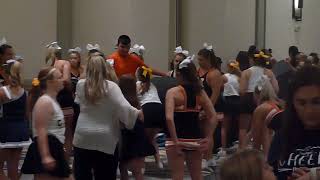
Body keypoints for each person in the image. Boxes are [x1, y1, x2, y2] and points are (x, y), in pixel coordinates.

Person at [72, 55, 143, 180]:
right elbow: (124, 108)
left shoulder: (80, 85)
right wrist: (137, 114)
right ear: (105, 69)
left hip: (82, 135)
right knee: (105, 174)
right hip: (105, 137)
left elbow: (77, 103)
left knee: (82, 174)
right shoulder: (111, 87)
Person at [165, 56, 217, 180]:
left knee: (177, 176)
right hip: (195, 138)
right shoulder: (200, 92)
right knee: (197, 175)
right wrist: (209, 137)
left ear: (178, 74)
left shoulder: (172, 92)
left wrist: (176, 140)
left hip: (175, 139)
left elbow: (169, 118)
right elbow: (213, 116)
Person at [268, 65, 320, 180]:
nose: (309, 110)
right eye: (301, 103)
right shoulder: (282, 137)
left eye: (316, 102)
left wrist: (314, 175)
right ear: (293, 104)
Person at [21, 67, 71, 179]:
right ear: (50, 82)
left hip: (55, 146)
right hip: (48, 146)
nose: (63, 80)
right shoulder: (44, 102)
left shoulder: (52, 101)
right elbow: (41, 130)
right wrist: (45, 155)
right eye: (59, 77)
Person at [239, 51, 279, 149]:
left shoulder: (246, 72)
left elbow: (242, 90)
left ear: (252, 60)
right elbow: (276, 89)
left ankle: (242, 148)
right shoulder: (269, 72)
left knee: (243, 128)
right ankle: (262, 149)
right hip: (265, 97)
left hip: (248, 98)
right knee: (264, 128)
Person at [118, 75, 155, 180]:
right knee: (137, 171)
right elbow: (142, 118)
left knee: (123, 168)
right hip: (138, 136)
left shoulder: (120, 101)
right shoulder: (136, 101)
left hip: (124, 136)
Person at [0, 61, 31, 180]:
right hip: (20, 129)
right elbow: (27, 114)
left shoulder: (3, 91)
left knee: (1, 166)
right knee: (14, 164)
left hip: (6, 129)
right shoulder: (24, 92)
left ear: (6, 74)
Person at [197, 43, 223, 167]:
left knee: (208, 133)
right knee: (201, 132)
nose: (199, 62)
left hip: (211, 107)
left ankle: (208, 158)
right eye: (198, 59)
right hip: (201, 106)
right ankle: (205, 156)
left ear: (208, 59)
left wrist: (208, 110)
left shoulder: (214, 74)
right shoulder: (199, 71)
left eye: (201, 60)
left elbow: (215, 94)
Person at [45, 42, 73, 158]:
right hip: (64, 98)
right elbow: (66, 79)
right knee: (67, 132)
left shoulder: (47, 66)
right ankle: (65, 160)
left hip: (50, 99)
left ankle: (54, 156)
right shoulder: (64, 63)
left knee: (52, 130)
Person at [136, 66, 165, 169]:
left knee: (144, 139)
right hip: (159, 109)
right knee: (152, 139)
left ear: (138, 75)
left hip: (148, 109)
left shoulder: (137, 84)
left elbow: (136, 102)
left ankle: (142, 165)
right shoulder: (152, 85)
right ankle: (158, 161)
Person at [251, 75, 282, 158]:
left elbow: (256, 137)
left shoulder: (260, 109)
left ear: (257, 94)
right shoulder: (277, 105)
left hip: (268, 152)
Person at [220, 60, 241, 156]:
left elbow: (220, 87)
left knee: (224, 126)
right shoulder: (240, 77)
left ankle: (223, 148)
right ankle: (238, 144)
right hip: (238, 100)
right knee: (239, 125)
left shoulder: (224, 77)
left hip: (228, 100)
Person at [67, 47, 84, 136]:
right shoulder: (67, 71)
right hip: (71, 99)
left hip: (82, 99)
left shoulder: (82, 69)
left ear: (79, 59)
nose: (73, 60)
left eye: (75, 58)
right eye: (71, 58)